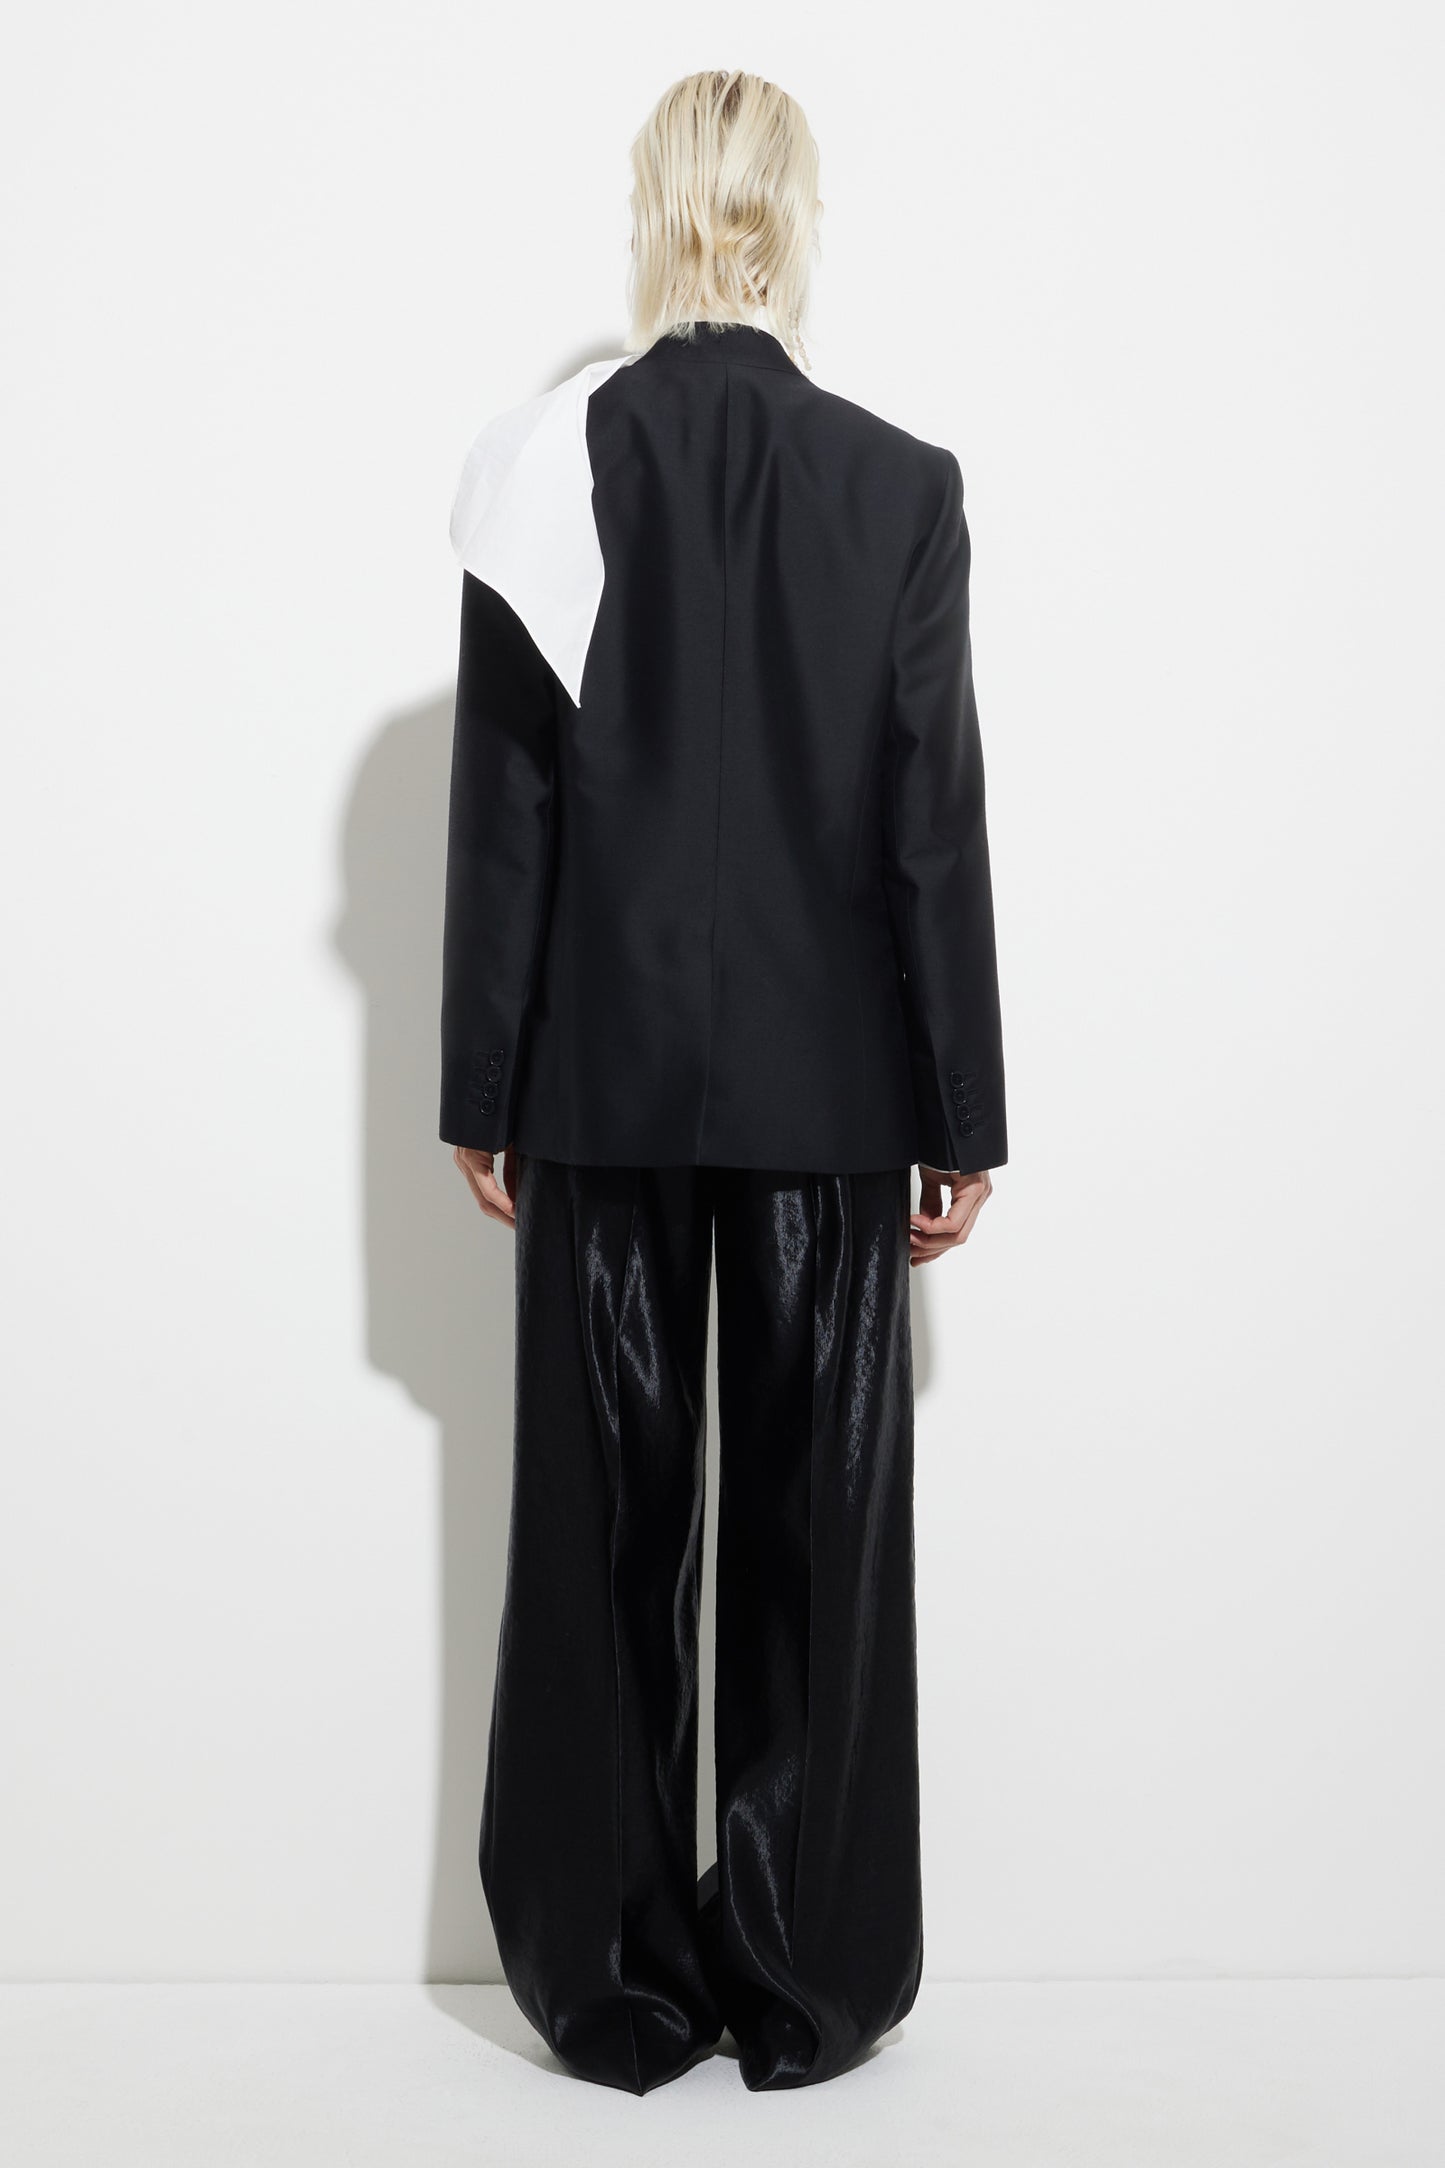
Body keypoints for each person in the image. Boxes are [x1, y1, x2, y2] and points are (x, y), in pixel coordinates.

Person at [438, 68, 1007, 2095]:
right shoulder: (898, 486)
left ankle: (609, 1980)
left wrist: (482, 1080)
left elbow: (507, 794)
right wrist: (959, 1110)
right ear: (798, 218)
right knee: (811, 1546)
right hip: (829, 1089)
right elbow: (930, 820)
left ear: (655, 212)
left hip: (598, 1076)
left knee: (601, 1532)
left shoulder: (548, 463)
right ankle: (804, 1973)